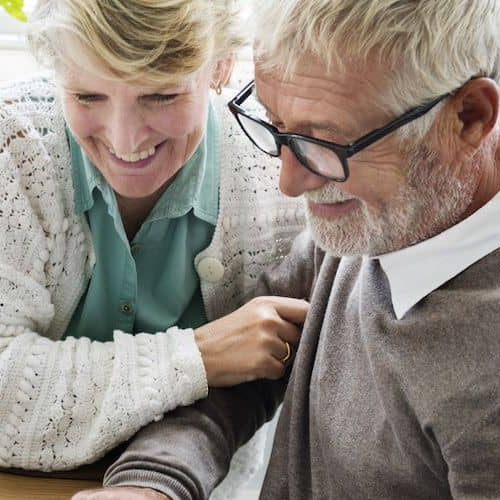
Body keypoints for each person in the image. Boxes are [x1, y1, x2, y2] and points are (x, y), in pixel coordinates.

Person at [73, 0, 500, 498]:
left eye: (327, 144)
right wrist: (150, 485)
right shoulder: (382, 223)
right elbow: (237, 381)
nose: (290, 182)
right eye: (277, 128)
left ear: (470, 117)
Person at [0, 0, 308, 497]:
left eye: (161, 96)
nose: (124, 140)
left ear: (221, 65)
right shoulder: (12, 148)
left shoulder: (282, 179)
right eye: (87, 95)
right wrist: (198, 356)